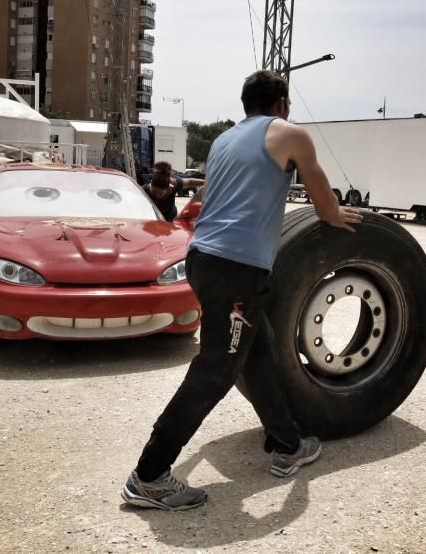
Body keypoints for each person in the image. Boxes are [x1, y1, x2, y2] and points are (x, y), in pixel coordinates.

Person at [122, 70, 363, 511]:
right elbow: (324, 204)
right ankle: (150, 475)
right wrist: (337, 215)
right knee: (216, 370)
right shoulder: (291, 134)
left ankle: (288, 444)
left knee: (259, 353)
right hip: (235, 267)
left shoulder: (223, 141)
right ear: (282, 103)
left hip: (204, 257)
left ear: (245, 104)